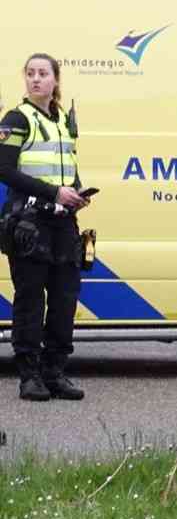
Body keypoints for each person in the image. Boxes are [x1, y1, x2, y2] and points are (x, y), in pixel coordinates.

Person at [0, 53, 89, 401]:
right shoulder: (17, 118)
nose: (36, 79)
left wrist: (78, 193)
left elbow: (68, 168)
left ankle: (55, 372)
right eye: (31, 74)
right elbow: (4, 170)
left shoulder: (62, 121)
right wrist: (54, 192)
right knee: (30, 301)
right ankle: (29, 376)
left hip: (63, 223)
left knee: (66, 299)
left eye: (43, 73)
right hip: (29, 223)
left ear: (55, 80)